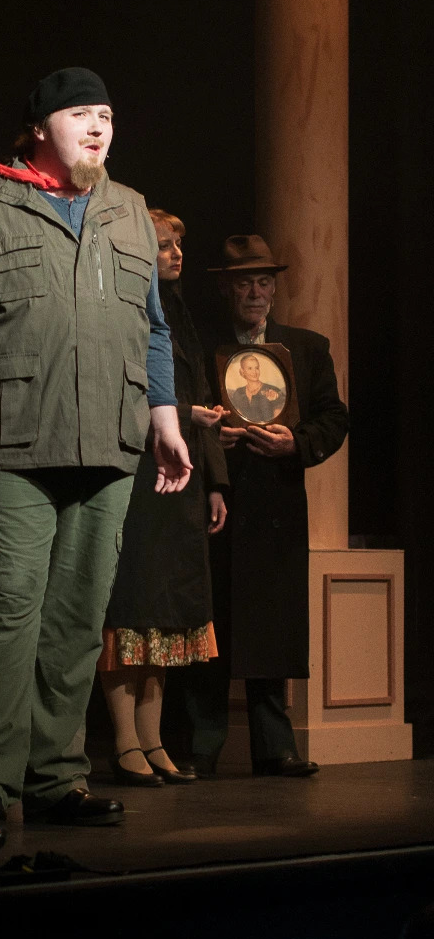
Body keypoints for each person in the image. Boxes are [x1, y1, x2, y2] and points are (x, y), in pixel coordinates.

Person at [0, 67, 191, 826]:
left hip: (110, 439)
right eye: (80, 114)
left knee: (78, 616)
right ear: (38, 128)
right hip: (13, 438)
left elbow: (152, 328)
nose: (98, 127)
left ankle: (56, 777)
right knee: (9, 610)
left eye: (107, 116)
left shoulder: (129, 212)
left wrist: (165, 418)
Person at [183, 234, 349, 778]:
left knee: (271, 625)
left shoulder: (306, 348)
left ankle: (275, 747)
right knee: (210, 623)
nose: (254, 293)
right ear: (226, 289)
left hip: (277, 502)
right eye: (243, 284)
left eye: (262, 282)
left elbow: (333, 418)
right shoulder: (203, 347)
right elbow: (180, 411)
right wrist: (209, 440)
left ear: (274, 290)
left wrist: (296, 443)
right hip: (217, 499)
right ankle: (201, 746)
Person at [99, 211, 228, 786]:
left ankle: (152, 740)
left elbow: (199, 392)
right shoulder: (124, 307)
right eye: (165, 245)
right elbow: (115, 388)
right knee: (132, 602)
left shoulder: (178, 312)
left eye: (179, 245)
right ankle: (124, 740)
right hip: (139, 471)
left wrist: (216, 482)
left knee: (168, 608)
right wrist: (176, 414)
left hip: (182, 477)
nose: (177, 254)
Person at [227, 352, 285, 423]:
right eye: (250, 368)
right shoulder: (238, 393)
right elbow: (237, 419)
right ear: (242, 371)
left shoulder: (273, 390)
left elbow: (279, 420)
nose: (254, 372)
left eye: (257, 368)